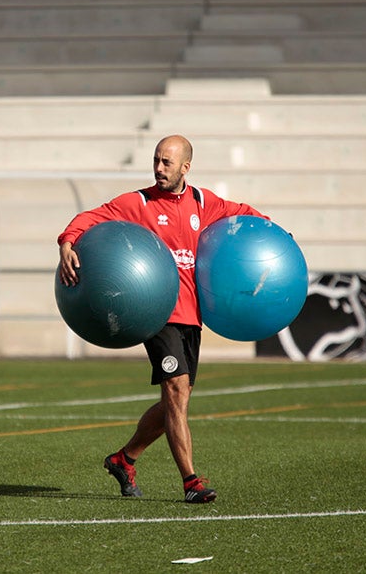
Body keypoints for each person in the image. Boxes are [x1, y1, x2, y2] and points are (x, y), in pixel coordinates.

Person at [57, 134, 267, 503]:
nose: (158, 168)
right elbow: (93, 217)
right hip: (158, 313)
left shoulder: (204, 202)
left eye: (166, 162)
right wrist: (67, 241)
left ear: (186, 167)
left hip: (192, 316)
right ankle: (191, 482)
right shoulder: (138, 203)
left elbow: (244, 214)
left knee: (178, 399)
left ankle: (125, 458)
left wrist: (274, 234)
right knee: (174, 390)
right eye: (156, 160)